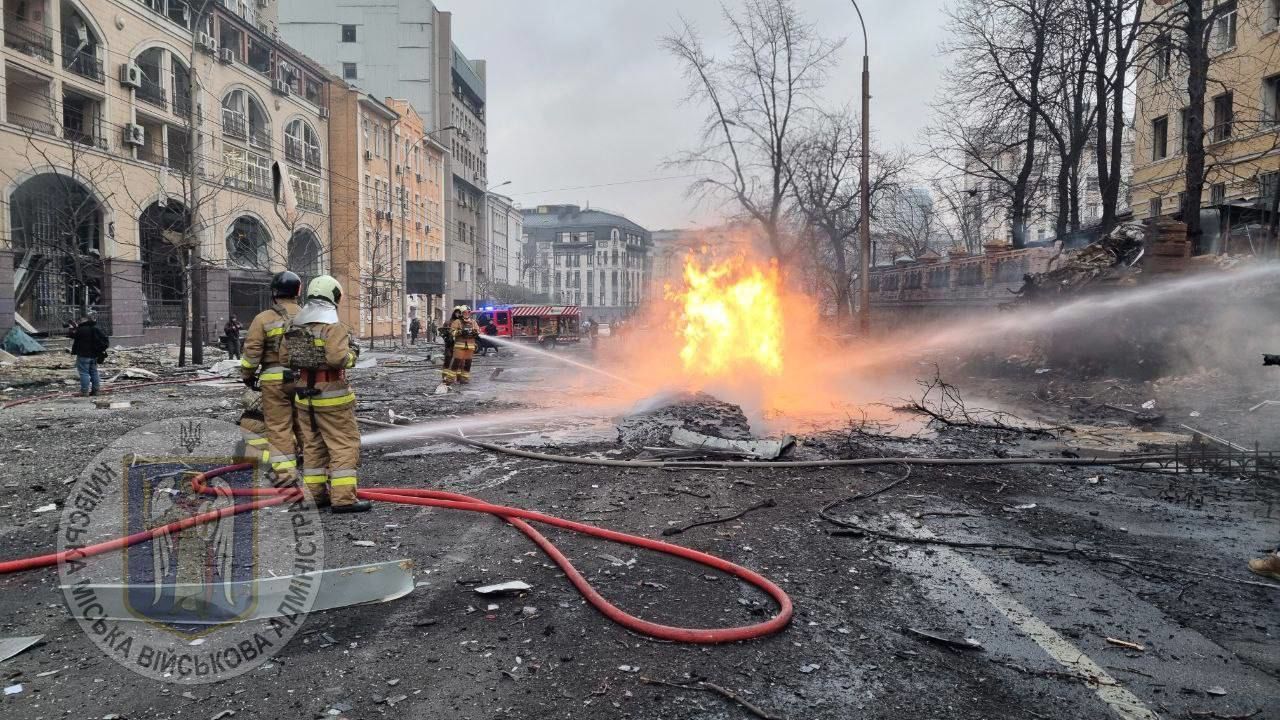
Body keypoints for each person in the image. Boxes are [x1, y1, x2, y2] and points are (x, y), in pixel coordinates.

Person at [287, 275, 370, 513]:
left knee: (313, 446)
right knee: (344, 445)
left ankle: (314, 496)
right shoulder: (333, 328)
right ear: (333, 297)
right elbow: (337, 359)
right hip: (332, 396)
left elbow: (285, 358)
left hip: (304, 397)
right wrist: (352, 355)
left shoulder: (295, 326)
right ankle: (343, 499)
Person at [240, 271, 304, 488]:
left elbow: (252, 352)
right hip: (304, 380)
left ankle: (286, 476)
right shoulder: (308, 316)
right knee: (306, 425)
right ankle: (318, 472)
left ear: (274, 292)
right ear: (298, 291)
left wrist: (247, 376)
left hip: (274, 380)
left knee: (279, 428)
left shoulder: (263, 318)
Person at [69, 313, 109, 397]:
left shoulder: (81, 329)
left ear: (85, 320)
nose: (79, 321)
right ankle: (96, 391)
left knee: (84, 373)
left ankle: (84, 391)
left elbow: (72, 335)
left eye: (80, 319)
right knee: (94, 372)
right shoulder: (95, 328)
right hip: (94, 355)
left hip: (83, 355)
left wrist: (72, 328)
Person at [444, 306, 481, 384]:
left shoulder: (473, 322)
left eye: (468, 312)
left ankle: (464, 379)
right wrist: (460, 332)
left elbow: (478, 331)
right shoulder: (457, 322)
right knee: (456, 363)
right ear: (461, 313)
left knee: (468, 364)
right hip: (459, 346)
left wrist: (475, 333)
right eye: (464, 312)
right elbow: (452, 332)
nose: (466, 314)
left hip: (470, 347)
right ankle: (449, 379)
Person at [440, 306, 461, 379]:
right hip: (449, 344)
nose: (458, 314)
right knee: (447, 359)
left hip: (459, 345)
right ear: (454, 313)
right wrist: (446, 337)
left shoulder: (462, 323)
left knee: (459, 361)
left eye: (459, 313)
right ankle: (445, 376)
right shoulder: (448, 322)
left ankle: (458, 377)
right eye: (456, 312)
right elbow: (442, 332)